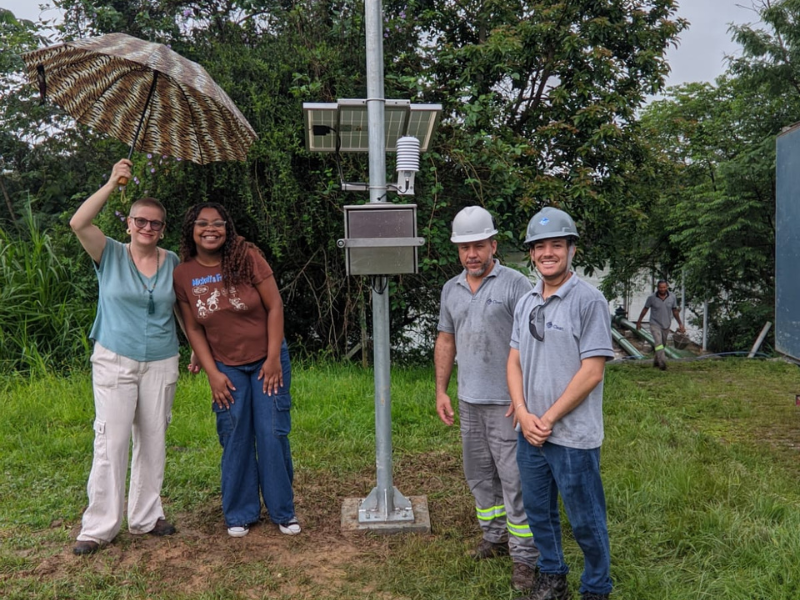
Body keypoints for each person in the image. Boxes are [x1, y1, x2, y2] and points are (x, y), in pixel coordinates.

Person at [70, 158, 179, 556]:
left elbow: (182, 311)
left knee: (153, 440)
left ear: (162, 229)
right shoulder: (110, 253)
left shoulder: (173, 262)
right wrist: (112, 182)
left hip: (162, 360)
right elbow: (78, 223)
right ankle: (99, 526)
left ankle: (147, 516)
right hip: (115, 358)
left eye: (155, 223)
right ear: (128, 223)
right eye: (141, 221)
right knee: (111, 440)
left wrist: (199, 353)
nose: (148, 228)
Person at [173, 202, 300, 538]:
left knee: (272, 433)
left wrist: (273, 358)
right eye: (202, 223)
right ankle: (240, 513)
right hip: (226, 366)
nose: (210, 229)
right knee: (235, 435)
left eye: (218, 223)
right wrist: (213, 373)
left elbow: (275, 306)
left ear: (227, 229)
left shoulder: (247, 258)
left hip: (266, 360)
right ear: (192, 230)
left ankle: (282, 511)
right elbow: (194, 329)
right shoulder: (183, 274)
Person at [507, 207, 615, 600]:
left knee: (585, 519)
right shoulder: (526, 301)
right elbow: (514, 360)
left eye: (557, 245)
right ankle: (552, 576)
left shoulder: (589, 301)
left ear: (572, 250)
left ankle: (596, 586)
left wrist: (547, 418)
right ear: (532, 254)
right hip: (530, 431)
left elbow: (592, 371)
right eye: (540, 247)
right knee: (539, 513)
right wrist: (522, 412)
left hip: (571, 436)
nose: (547, 253)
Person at [435, 206, 539, 592]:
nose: (471, 254)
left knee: (516, 480)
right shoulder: (451, 289)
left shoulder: (515, 285)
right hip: (468, 402)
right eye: (464, 248)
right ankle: (493, 536)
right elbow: (446, 340)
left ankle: (525, 557)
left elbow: (532, 342)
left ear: (493, 245)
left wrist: (524, 397)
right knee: (479, 475)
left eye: (478, 245)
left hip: (508, 403)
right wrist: (441, 390)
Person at [636, 280, 685, 370]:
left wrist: (680, 323)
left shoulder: (672, 297)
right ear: (657, 288)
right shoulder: (651, 298)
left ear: (667, 287)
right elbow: (645, 309)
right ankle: (662, 364)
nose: (662, 289)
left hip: (666, 324)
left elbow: (675, 311)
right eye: (660, 287)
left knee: (662, 344)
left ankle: (656, 362)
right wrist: (639, 321)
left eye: (664, 287)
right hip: (655, 324)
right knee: (658, 343)